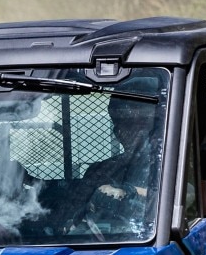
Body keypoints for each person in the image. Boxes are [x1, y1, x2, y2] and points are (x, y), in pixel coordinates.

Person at [59, 79, 163, 234]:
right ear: (117, 132)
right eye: (121, 124)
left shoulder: (168, 164)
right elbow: (69, 214)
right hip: (95, 241)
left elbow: (183, 198)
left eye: (140, 123)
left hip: (149, 237)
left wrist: (131, 192)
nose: (128, 131)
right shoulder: (100, 170)